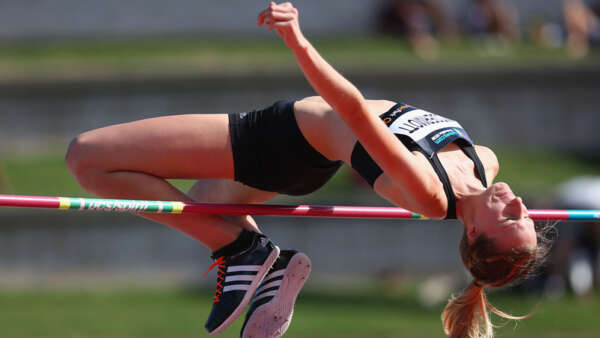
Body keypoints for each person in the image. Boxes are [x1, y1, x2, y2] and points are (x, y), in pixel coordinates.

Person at [65, 2, 551, 338]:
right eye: (526, 216)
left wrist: (297, 41)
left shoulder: (428, 192)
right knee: (202, 199)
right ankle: (263, 268)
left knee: (87, 158)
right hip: (307, 161)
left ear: (471, 229)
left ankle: (242, 250)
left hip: (279, 141)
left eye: (510, 219)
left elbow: (357, 113)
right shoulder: (482, 162)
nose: (519, 204)